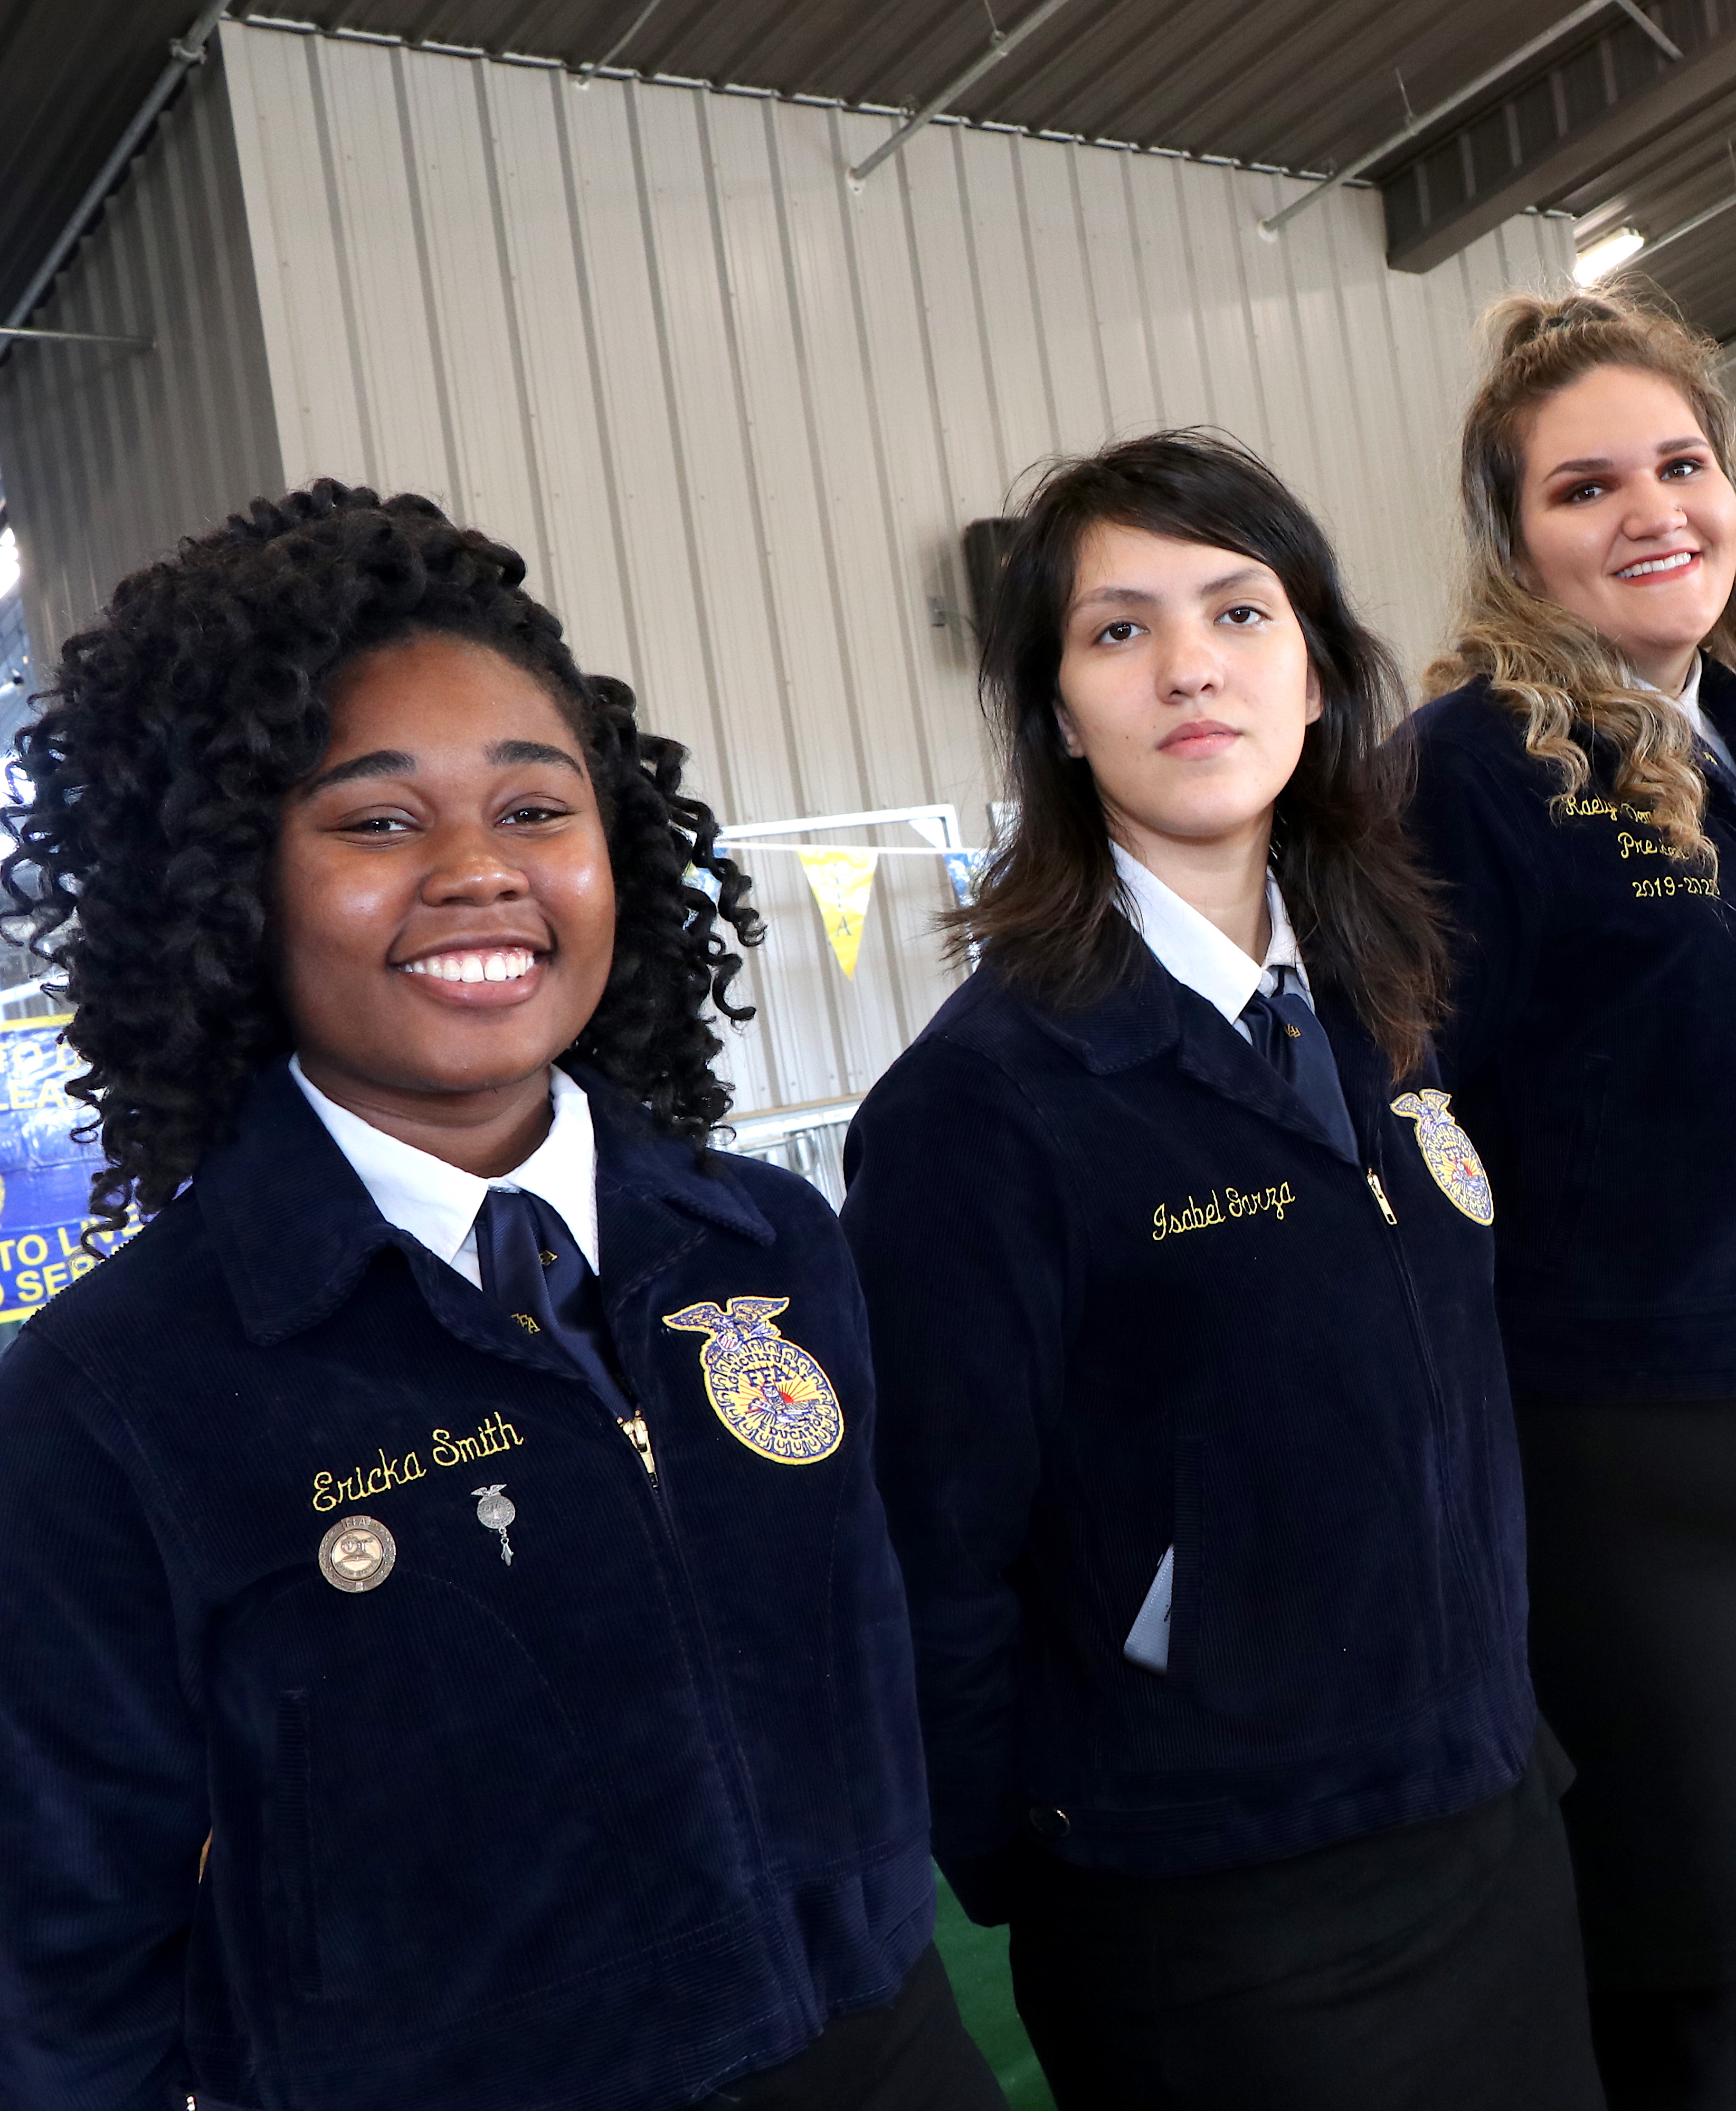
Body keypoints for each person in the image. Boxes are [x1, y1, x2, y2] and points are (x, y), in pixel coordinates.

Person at [0, 484, 1004, 2111]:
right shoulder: (119, 1397)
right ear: (227, 888)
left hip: (889, 2062)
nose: (477, 871)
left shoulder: (768, 1245)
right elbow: (66, 1974)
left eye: (536, 810)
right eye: (377, 822)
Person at [839, 433, 1598, 2109]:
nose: (1190, 664)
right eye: (1119, 630)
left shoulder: (1385, 1014)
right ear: (1055, 711)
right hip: (1213, 1903)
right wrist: (1070, 1851)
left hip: (1484, 1819)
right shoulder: (984, 1105)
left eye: (1239, 612)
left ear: (1316, 676)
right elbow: (931, 1563)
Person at [1401, 289, 1736, 2110]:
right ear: (1513, 539)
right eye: (1585, 486)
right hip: (1638, 1480)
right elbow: (1422, 1141)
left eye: (1682, 465)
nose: (1652, 512)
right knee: (1684, 1971)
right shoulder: (1466, 777)